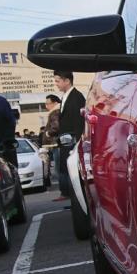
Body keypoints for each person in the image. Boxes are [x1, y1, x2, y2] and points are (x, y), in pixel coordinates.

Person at [54, 70, 85, 201]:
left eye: (58, 81)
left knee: (74, 171)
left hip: (73, 141)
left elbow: (79, 122)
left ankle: (74, 196)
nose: (56, 84)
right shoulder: (65, 97)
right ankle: (67, 193)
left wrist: (78, 143)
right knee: (65, 168)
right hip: (65, 140)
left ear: (67, 81)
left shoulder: (77, 97)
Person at [44, 94, 62, 188]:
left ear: (55, 103)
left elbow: (56, 127)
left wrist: (48, 133)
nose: (46, 106)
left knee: (59, 169)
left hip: (56, 143)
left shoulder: (55, 112)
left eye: (48, 103)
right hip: (56, 143)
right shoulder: (56, 111)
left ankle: (64, 190)